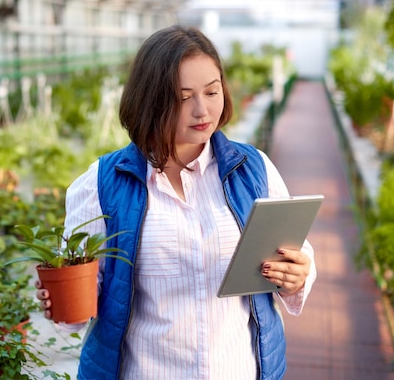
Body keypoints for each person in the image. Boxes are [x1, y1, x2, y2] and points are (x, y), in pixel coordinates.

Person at [35, 25, 316, 380]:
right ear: (151, 99)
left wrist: (299, 273)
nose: (203, 110)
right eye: (184, 98)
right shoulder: (103, 182)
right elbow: (79, 299)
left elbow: (297, 249)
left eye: (212, 92)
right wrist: (60, 299)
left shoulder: (253, 169)